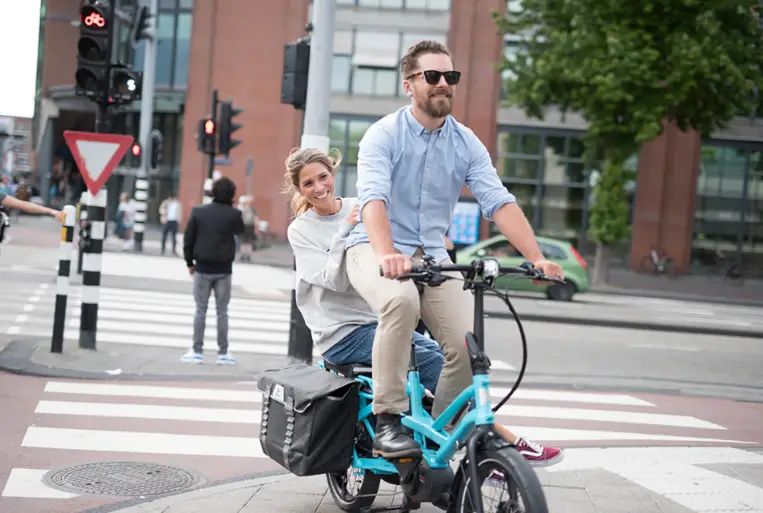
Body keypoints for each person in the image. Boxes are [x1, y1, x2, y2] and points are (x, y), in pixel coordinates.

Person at [344, 40, 565, 463]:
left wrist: (536, 257)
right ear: (409, 84)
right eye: (433, 76)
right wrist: (388, 254)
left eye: (451, 77)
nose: (444, 84)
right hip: (373, 249)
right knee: (400, 300)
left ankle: (436, 438)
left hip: (432, 258)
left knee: (468, 345)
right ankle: (388, 419)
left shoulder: (466, 143)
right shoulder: (383, 135)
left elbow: (498, 202)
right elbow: (373, 199)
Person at [284, 147, 563, 468]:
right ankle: (500, 446)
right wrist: (346, 230)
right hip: (342, 333)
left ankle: (454, 443)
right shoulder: (301, 230)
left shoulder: (360, 206)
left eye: (323, 177)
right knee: (434, 361)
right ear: (299, 189)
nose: (319, 187)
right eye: (308, 183)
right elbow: (332, 280)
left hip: (378, 318)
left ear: (332, 173)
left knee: (445, 361)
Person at [182, 177, 245, 365]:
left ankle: (196, 350)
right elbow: (241, 231)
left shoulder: (199, 212)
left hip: (202, 267)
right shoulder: (234, 214)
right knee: (222, 311)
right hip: (224, 269)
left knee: (200, 310)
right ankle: (223, 353)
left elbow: (188, 240)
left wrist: (189, 262)